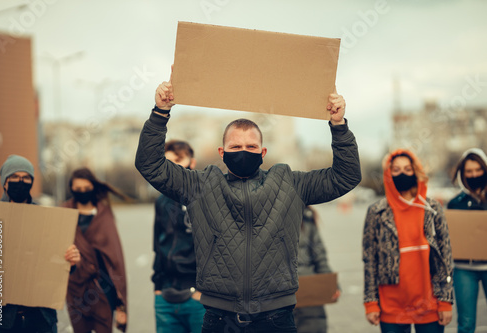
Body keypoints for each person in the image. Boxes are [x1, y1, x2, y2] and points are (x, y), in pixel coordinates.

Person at [135, 71, 361, 333]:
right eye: (235, 147)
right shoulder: (199, 186)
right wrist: (160, 112)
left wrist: (338, 124)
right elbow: (150, 165)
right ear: (222, 153)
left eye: (251, 147)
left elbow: (347, 176)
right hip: (219, 318)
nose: (243, 152)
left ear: (263, 152)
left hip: (276, 317)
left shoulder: (290, 183)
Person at [362, 149, 454, 333]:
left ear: (416, 172)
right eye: (396, 170)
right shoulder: (377, 212)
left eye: (407, 169)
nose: (402, 173)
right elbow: (370, 259)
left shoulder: (432, 208)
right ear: (388, 174)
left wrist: (445, 300)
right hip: (391, 306)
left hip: (429, 303)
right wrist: (371, 302)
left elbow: (445, 255)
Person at [0, 154, 80, 333]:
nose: (20, 181)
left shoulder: (47, 218)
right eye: (14, 177)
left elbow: (58, 262)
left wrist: (71, 260)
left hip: (40, 318)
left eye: (25, 177)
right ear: (4, 182)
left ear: (32, 182)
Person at [62, 167, 128, 333]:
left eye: (86, 189)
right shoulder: (63, 213)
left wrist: (121, 305)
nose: (82, 192)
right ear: (71, 189)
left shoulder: (104, 213)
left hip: (103, 288)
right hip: (75, 287)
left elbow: (116, 258)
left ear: (93, 187)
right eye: (77, 189)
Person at [152, 140, 205, 333]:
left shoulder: (205, 198)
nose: (173, 167)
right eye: (168, 162)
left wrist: (201, 290)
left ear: (192, 162)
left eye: (178, 160)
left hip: (197, 297)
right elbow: (157, 245)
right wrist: (158, 288)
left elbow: (217, 248)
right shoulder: (161, 201)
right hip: (164, 297)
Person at [447, 148, 487, 333]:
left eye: (478, 170)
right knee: (466, 323)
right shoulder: (455, 203)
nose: (474, 175)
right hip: (464, 269)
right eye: (469, 172)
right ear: (463, 175)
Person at [293, 206, 340, 333]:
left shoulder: (306, 218)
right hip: (281, 294)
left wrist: (332, 285)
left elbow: (320, 258)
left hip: (307, 290)